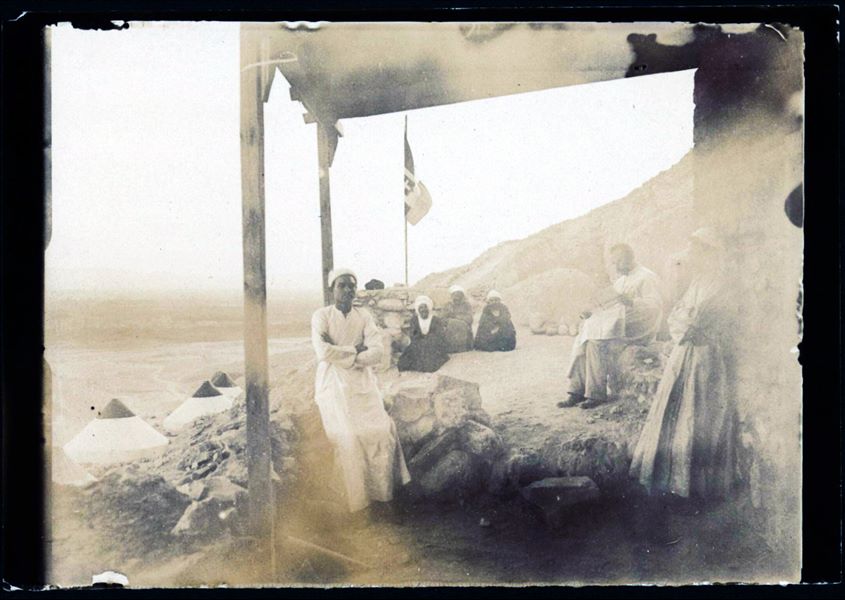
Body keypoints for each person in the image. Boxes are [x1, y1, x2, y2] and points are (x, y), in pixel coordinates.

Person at [629, 228, 736, 506]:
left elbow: (693, 323)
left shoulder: (722, 284)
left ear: (710, 253)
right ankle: (672, 482)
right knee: (675, 414)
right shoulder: (699, 281)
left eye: (698, 251)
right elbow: (677, 316)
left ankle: (696, 490)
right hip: (685, 353)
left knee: (698, 417)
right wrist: (684, 319)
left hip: (705, 358)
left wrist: (686, 320)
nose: (693, 257)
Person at [311, 268, 411, 513]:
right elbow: (323, 352)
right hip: (333, 383)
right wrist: (356, 349)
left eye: (351, 286)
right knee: (349, 437)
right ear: (332, 289)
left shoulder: (363, 315)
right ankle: (357, 501)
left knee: (382, 430)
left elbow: (377, 352)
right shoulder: (321, 316)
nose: (347, 290)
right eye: (342, 285)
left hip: (362, 382)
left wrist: (345, 352)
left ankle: (382, 494)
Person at [560, 244, 663, 409]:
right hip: (618, 324)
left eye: (619, 261)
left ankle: (596, 395)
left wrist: (631, 302)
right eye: (614, 262)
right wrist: (591, 311)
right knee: (584, 335)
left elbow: (655, 306)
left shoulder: (647, 277)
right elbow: (607, 304)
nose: (616, 266)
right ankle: (576, 391)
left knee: (596, 342)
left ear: (629, 258)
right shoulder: (621, 280)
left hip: (637, 328)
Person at [397, 296, 450, 372]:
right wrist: (421, 340)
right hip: (419, 344)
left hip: (433, 344)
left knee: (431, 362)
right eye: (421, 308)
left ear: (428, 309)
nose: (423, 310)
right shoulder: (414, 320)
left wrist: (428, 340)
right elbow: (413, 334)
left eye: (425, 308)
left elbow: (439, 335)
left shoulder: (435, 320)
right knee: (404, 362)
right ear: (418, 310)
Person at [441, 285, 474, 352]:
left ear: (462, 296)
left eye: (459, 294)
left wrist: (457, 317)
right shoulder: (447, 305)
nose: (457, 297)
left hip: (464, 330)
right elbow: (442, 319)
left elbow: (470, 319)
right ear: (451, 296)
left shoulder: (467, 305)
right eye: (454, 294)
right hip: (451, 330)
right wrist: (452, 321)